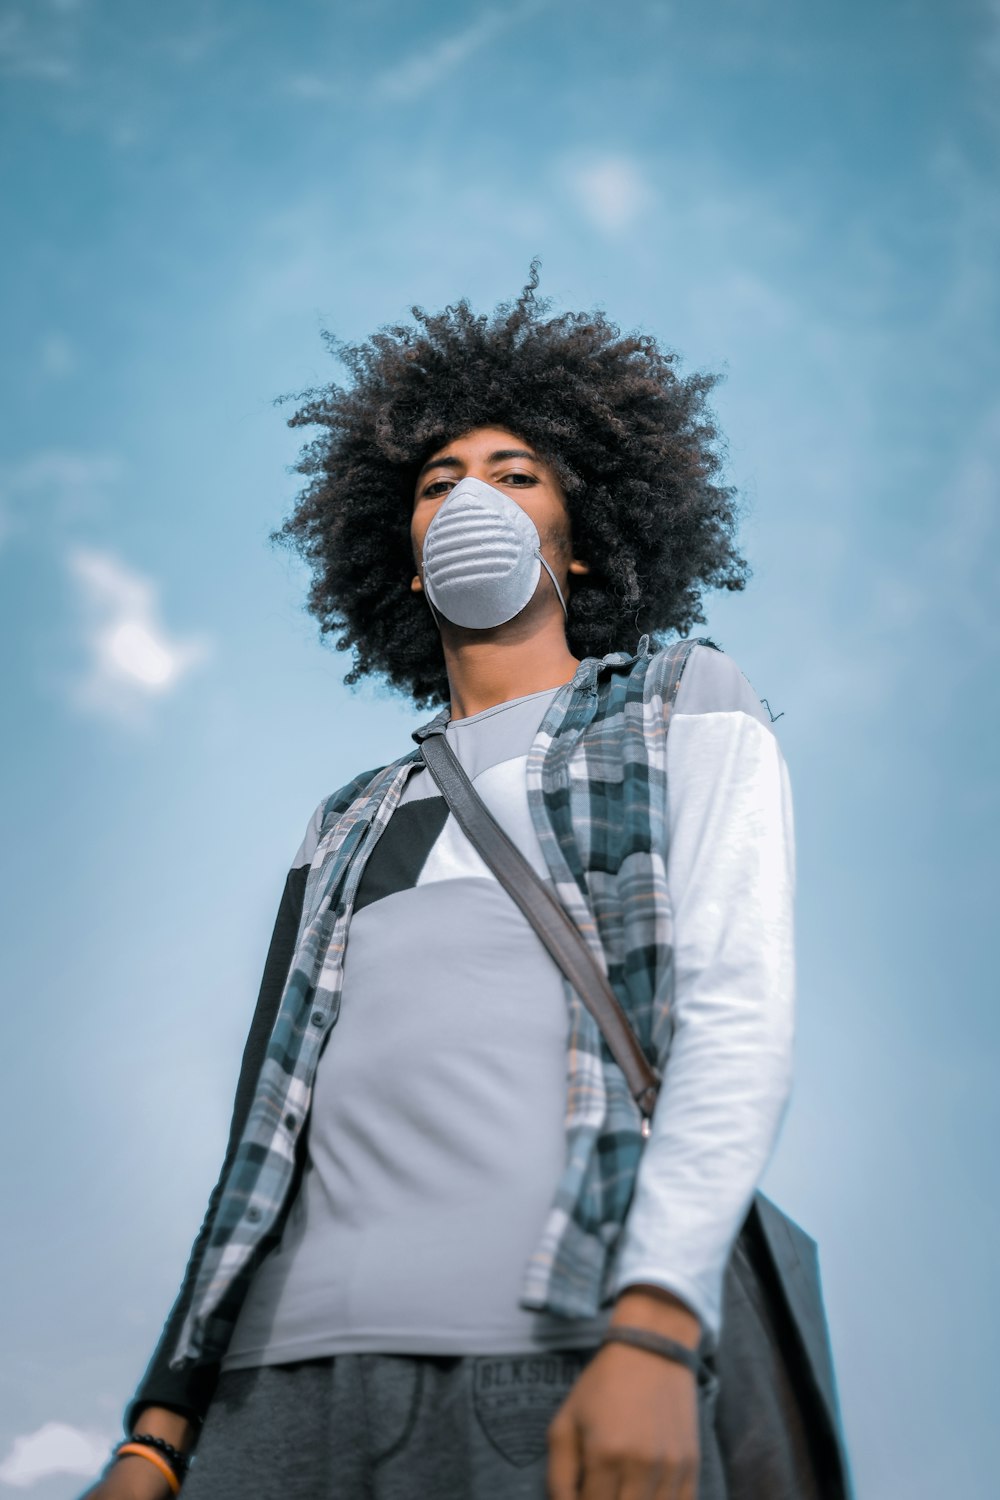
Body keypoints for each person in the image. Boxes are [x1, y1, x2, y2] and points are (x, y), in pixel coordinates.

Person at [82, 266, 796, 1500]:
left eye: (517, 473)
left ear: (581, 538)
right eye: (436, 480)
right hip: (272, 1395)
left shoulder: (680, 709)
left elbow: (734, 1014)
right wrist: (161, 1429)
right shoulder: (351, 818)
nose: (472, 494)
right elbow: (267, 1127)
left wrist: (656, 1321)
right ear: (405, 563)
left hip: (550, 1354)